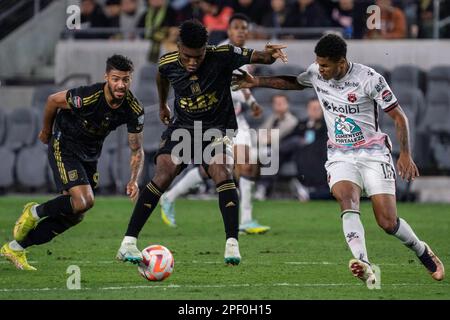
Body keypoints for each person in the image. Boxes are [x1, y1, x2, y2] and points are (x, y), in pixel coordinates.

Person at [232, 34, 444, 284]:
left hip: (373, 153)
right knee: (347, 199)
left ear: (341, 62)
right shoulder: (316, 72)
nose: (319, 70)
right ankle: (363, 262)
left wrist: (406, 154)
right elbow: (294, 82)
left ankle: (422, 250)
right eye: (318, 63)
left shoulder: (369, 79)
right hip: (340, 153)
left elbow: (400, 117)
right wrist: (256, 81)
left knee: (387, 222)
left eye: (324, 65)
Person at [116, 19, 287, 266]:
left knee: (221, 170)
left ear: (206, 47)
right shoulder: (168, 62)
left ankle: (232, 244)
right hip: (183, 126)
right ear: (178, 47)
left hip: (217, 128)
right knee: (164, 173)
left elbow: (262, 58)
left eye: (198, 56)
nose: (193, 62)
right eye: (187, 56)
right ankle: (128, 243)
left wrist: (270, 55)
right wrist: (163, 103)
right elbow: (161, 76)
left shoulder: (224, 54)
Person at [0, 55, 145, 271]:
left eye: (125, 80)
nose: (121, 85)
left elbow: (136, 150)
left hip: (89, 156)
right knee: (85, 201)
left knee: (76, 215)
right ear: (106, 77)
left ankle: (15, 248)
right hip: (64, 145)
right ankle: (34, 212)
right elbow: (52, 101)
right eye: (116, 79)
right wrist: (46, 130)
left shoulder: (133, 109)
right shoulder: (88, 96)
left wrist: (134, 180)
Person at [159, 13, 270, 235]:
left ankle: (245, 219)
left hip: (237, 119)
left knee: (241, 165)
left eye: (244, 28)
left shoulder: (242, 55)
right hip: (216, 119)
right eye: (236, 27)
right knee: (223, 168)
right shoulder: (217, 53)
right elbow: (221, 87)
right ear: (228, 31)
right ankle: (169, 196)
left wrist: (252, 102)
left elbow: (240, 84)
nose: (241, 32)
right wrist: (249, 99)